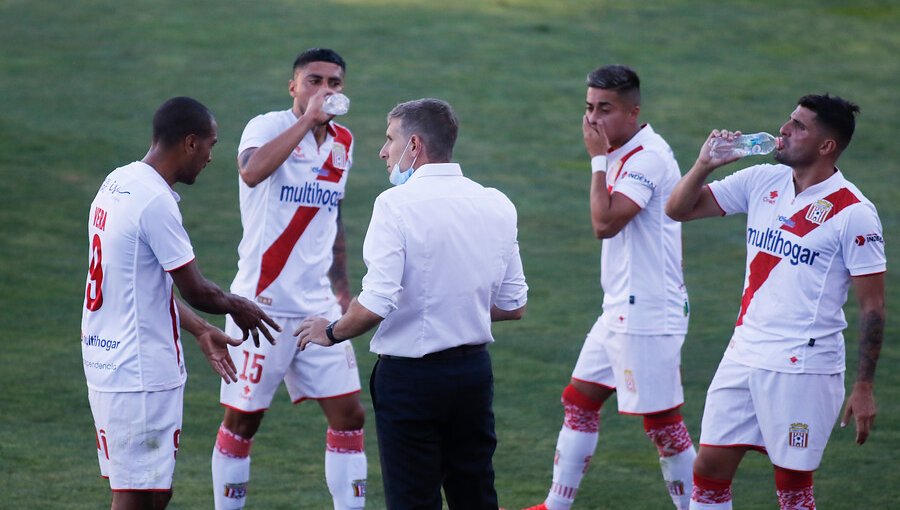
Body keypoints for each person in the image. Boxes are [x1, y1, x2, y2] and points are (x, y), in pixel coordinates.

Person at [295, 97, 528, 509]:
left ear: (414, 145)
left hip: (411, 382)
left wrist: (329, 332)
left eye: (390, 139)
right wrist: (454, 306)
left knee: (412, 499)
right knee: (475, 493)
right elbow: (513, 304)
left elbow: (376, 304)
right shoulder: (497, 204)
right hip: (473, 376)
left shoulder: (394, 206)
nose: (383, 151)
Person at [665, 94, 886, 509]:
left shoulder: (855, 212)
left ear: (827, 146)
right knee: (708, 470)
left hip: (803, 366)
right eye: (789, 120)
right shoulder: (763, 180)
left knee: (792, 488)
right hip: (744, 352)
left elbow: (872, 306)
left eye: (800, 126)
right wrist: (704, 165)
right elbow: (678, 209)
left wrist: (864, 386)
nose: (784, 129)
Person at [81, 96, 279, 510]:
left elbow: (144, 288)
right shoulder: (155, 202)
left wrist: (203, 329)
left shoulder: (117, 182)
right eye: (210, 144)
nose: (210, 157)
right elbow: (197, 290)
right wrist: (237, 307)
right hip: (139, 373)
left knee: (154, 492)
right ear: (190, 142)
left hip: (110, 361)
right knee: (137, 496)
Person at [524, 65, 695, 510]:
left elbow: (605, 223)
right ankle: (555, 507)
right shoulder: (625, 150)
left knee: (662, 425)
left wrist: (596, 160)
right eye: (588, 108)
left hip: (647, 311)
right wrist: (603, 157)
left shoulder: (647, 158)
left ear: (633, 111)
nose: (593, 120)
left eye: (605, 109)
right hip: (621, 307)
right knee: (579, 400)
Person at [211, 48, 368, 510]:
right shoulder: (267, 126)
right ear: (293, 86)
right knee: (243, 421)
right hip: (258, 306)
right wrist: (307, 122)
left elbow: (331, 216)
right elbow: (251, 171)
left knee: (349, 414)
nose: (324, 91)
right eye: (314, 81)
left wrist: (341, 286)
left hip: (317, 308)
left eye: (334, 83)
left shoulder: (344, 142)